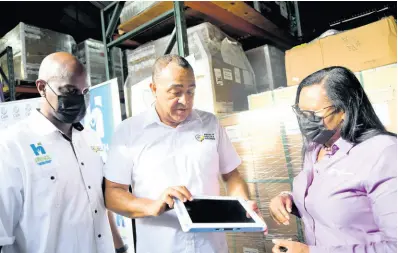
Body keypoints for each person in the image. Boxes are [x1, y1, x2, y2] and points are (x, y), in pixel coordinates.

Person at [103, 54, 265, 253]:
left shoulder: (210, 124)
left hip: (211, 247)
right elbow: (112, 194)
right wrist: (151, 206)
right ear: (154, 89)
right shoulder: (128, 132)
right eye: (176, 92)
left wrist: (243, 203)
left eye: (191, 91)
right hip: (160, 247)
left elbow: (232, 175)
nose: (185, 101)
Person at [0, 52, 128, 253]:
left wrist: (120, 248)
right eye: (69, 90)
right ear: (42, 87)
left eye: (83, 91)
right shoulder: (11, 146)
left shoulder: (90, 139)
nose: (78, 99)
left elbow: (98, 202)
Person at [269, 66, 397, 253]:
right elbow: (333, 201)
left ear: (344, 110)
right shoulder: (315, 148)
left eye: (313, 115)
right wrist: (288, 199)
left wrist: (309, 252)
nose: (305, 121)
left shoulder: (384, 153)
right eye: (301, 113)